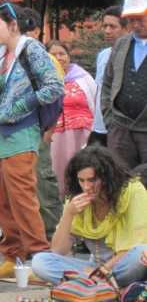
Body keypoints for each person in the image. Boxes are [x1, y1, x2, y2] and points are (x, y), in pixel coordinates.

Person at [0, 2, 64, 278]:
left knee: (23, 197)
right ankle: (13, 256)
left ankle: (42, 259)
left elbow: (54, 85)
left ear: (13, 25)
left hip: (22, 132)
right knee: (0, 198)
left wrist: (22, 106)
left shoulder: (31, 48)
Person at [32, 146, 147, 287]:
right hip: (93, 270)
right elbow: (58, 250)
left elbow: (139, 245)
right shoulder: (77, 196)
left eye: (92, 180)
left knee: (139, 253)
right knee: (40, 261)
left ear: (107, 177)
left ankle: (86, 285)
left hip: (122, 267)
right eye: (81, 180)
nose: (86, 187)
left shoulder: (132, 191)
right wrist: (69, 214)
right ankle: (99, 287)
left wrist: (101, 271)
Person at [21, 7, 65, 241]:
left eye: (24, 30)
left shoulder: (46, 60)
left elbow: (55, 102)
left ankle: (54, 237)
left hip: (37, 133)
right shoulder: (8, 57)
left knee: (43, 186)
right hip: (13, 135)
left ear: (37, 32)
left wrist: (46, 132)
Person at [101, 0, 147, 169]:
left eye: (140, 19)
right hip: (120, 128)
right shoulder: (122, 44)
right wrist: (109, 120)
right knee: (120, 182)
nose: (135, 24)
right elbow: (107, 82)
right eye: (131, 20)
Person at [47, 40, 97, 198]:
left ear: (69, 56)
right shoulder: (43, 80)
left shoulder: (83, 78)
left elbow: (96, 102)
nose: (58, 57)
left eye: (62, 53)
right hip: (55, 137)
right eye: (53, 54)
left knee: (84, 170)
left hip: (82, 134)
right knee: (57, 174)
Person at [89, 6, 129, 146]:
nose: (107, 31)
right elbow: (99, 90)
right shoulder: (103, 55)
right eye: (105, 26)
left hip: (121, 129)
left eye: (113, 26)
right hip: (99, 128)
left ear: (126, 29)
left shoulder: (133, 56)